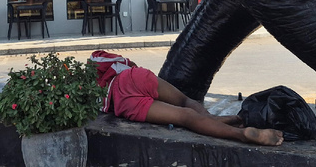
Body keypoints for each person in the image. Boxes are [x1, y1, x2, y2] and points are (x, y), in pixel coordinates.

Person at [90, 50, 283, 147]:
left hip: (122, 102)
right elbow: (127, 62)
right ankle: (220, 120)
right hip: (131, 78)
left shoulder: (79, 92)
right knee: (185, 102)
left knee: (185, 118)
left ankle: (240, 134)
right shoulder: (95, 58)